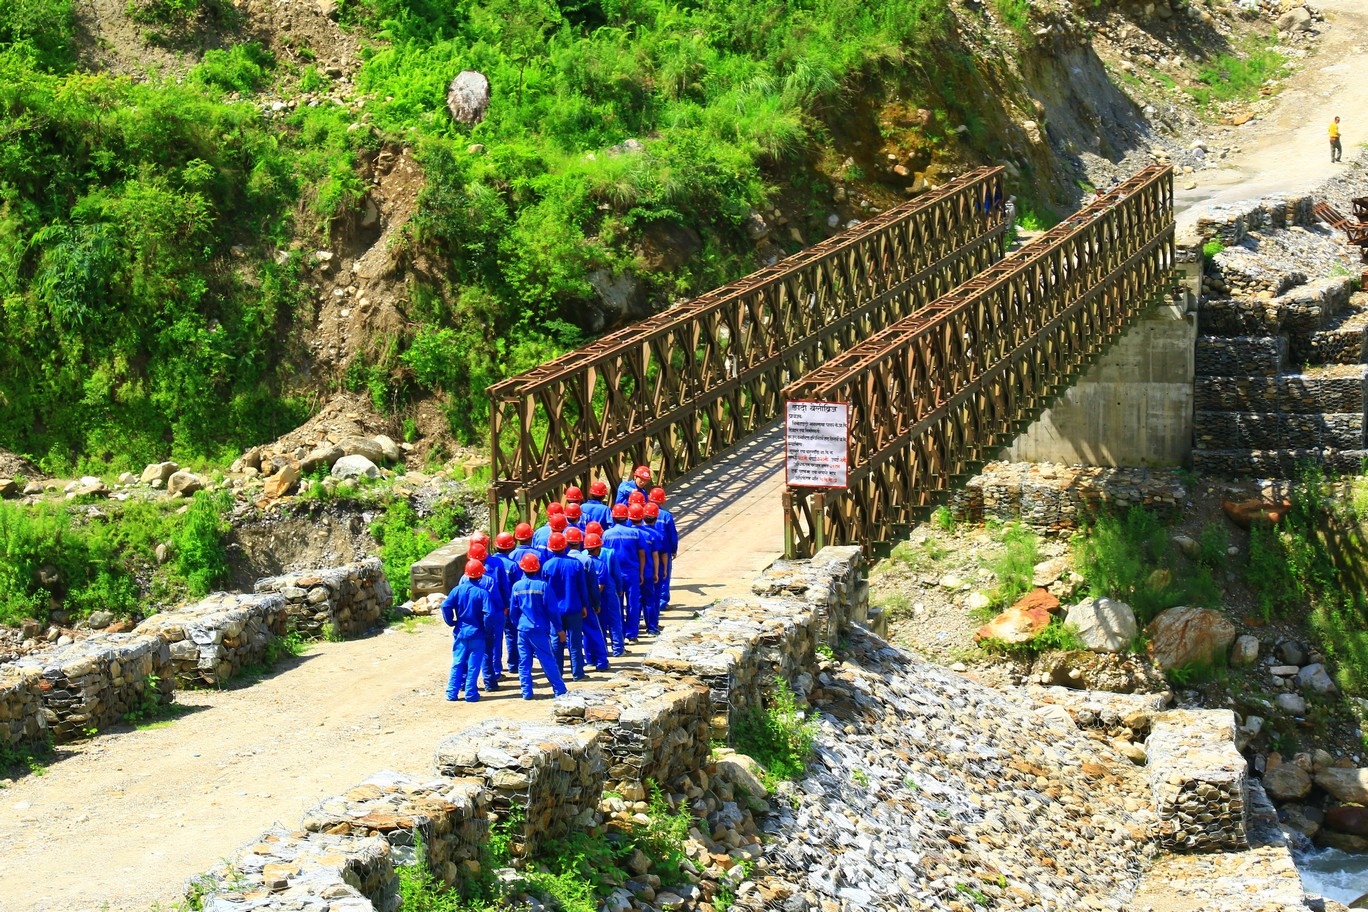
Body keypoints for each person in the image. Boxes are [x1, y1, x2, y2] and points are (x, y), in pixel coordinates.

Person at [510, 553, 567, 700]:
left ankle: (526, 692)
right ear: (537, 569)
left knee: (524, 662)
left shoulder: (516, 586)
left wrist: (518, 625)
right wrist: (559, 629)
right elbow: (552, 610)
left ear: (522, 568)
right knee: (547, 660)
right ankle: (560, 690)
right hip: (539, 629)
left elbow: (513, 610)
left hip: (522, 629)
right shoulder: (543, 586)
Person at [441, 559, 491, 703]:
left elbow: (446, 606)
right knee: (474, 666)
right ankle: (471, 694)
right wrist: (485, 628)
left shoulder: (457, 590)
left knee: (457, 664)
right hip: (478, 635)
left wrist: (451, 622)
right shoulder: (483, 593)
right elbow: (489, 614)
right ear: (481, 575)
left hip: (461, 633)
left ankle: (452, 693)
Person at [544, 532, 590, 681]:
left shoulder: (547, 566)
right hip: (574, 607)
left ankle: (558, 674)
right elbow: (583, 587)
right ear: (565, 546)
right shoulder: (575, 564)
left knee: (556, 641)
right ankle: (577, 673)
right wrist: (585, 605)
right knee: (575, 641)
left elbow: (545, 590)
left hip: (554, 611)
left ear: (550, 548)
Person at [567, 527, 611, 670]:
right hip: (585, 603)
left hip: (567, 605)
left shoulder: (559, 561)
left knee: (572, 636)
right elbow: (593, 585)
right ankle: (601, 662)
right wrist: (596, 603)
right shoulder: (586, 561)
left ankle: (586, 661)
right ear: (580, 542)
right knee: (593, 631)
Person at [468, 542, 509, 691]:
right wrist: (505, 607)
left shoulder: (463, 579)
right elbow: (498, 596)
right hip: (492, 615)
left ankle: (464, 683)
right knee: (492, 646)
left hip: (471, 617)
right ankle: (494, 675)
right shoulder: (490, 578)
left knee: (468, 650)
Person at [604, 503, 645, 640]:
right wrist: (641, 572)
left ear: (613, 518)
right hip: (632, 572)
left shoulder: (607, 534)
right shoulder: (634, 533)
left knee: (617, 604)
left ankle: (619, 633)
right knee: (633, 602)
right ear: (626, 518)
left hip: (614, 574)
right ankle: (632, 633)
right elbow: (642, 554)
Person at [584, 532, 623, 656]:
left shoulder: (583, 556)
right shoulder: (610, 552)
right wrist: (620, 588)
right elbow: (616, 573)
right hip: (609, 590)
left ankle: (601, 650)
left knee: (598, 622)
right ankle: (618, 649)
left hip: (592, 594)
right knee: (614, 620)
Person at [490, 531, 520, 679]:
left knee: (495, 638)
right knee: (511, 634)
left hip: (492, 606)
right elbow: (516, 586)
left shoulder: (490, 562)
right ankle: (513, 665)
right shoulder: (512, 565)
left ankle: (495, 669)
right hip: (507, 604)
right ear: (510, 548)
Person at [633, 503, 663, 635]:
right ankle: (651, 628)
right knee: (649, 600)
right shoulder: (653, 535)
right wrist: (657, 572)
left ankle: (633, 629)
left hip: (633, 573)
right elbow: (656, 556)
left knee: (635, 602)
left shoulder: (630, 533)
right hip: (648, 572)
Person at [648, 488, 678, 615]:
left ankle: (650, 602)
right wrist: (674, 549)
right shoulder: (666, 516)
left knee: (649, 576)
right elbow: (672, 535)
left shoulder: (645, 512)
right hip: (663, 551)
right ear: (663, 501)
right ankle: (662, 602)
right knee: (664, 576)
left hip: (648, 550)